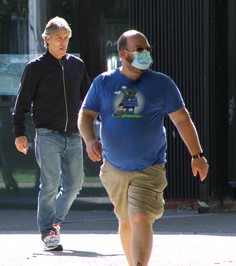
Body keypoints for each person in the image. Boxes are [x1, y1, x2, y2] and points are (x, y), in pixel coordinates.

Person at [78, 30, 209, 265]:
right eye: (139, 49)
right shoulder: (104, 82)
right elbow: (86, 114)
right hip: (113, 168)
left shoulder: (162, 83)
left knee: (140, 218)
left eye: (147, 49)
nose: (146, 53)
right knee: (126, 221)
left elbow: (181, 119)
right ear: (123, 54)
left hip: (149, 167)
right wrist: (89, 141)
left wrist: (197, 154)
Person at [12, 16, 91, 251]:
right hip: (47, 135)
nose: (63, 43)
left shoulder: (77, 65)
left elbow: (89, 101)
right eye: (59, 38)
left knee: (75, 183)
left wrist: (94, 132)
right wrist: (19, 132)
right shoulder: (35, 68)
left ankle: (54, 221)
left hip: (75, 135)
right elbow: (22, 103)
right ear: (46, 40)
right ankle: (48, 232)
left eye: (66, 38)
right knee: (50, 185)